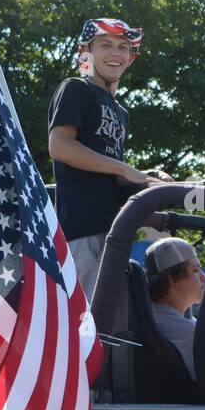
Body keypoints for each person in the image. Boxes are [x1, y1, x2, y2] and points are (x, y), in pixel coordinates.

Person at [48, 17, 170, 303]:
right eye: (105, 45)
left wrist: (149, 179)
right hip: (79, 232)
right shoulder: (75, 88)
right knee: (83, 328)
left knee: (110, 332)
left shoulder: (120, 112)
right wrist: (126, 169)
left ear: (131, 58)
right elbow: (61, 147)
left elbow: (110, 175)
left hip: (112, 233)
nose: (115, 53)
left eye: (123, 47)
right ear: (86, 54)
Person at [144, 237, 205, 380]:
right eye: (195, 270)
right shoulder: (189, 333)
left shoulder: (149, 317)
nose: (204, 277)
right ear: (172, 279)